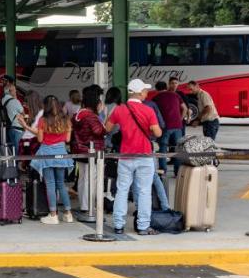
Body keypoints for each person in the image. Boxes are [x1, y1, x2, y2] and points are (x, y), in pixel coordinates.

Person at [104, 79, 162, 235]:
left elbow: (107, 128)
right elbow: (158, 133)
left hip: (125, 156)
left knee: (122, 190)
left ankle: (118, 225)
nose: (147, 93)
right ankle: (143, 226)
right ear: (140, 93)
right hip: (144, 156)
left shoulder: (119, 110)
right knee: (144, 191)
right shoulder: (148, 110)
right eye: (145, 91)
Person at [28, 95, 74, 224]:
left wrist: (28, 128)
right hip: (61, 153)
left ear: (45, 106)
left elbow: (40, 140)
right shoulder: (66, 120)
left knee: (50, 184)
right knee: (61, 184)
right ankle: (68, 213)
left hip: (47, 154)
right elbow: (68, 140)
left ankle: (53, 215)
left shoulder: (43, 120)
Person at [71, 84, 107, 213]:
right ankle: (89, 206)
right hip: (92, 150)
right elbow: (99, 131)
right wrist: (101, 115)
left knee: (82, 178)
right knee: (91, 179)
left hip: (80, 149)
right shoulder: (91, 116)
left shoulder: (78, 114)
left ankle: (83, 204)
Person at [153, 80, 187, 177]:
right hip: (177, 126)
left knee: (163, 148)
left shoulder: (155, 98)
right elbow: (184, 108)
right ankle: (178, 172)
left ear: (156, 89)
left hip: (165, 127)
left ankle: (163, 171)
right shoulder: (175, 95)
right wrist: (180, 119)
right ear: (166, 87)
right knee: (178, 149)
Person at [0, 75, 28, 149]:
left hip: (9, 129)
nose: (16, 92)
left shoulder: (2, 100)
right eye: (15, 90)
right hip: (18, 129)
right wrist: (16, 98)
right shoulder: (14, 101)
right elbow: (23, 113)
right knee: (19, 153)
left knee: (13, 151)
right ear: (11, 91)